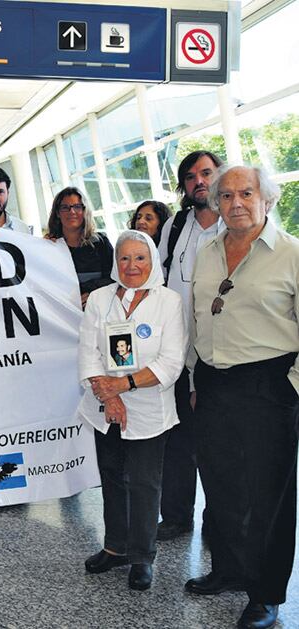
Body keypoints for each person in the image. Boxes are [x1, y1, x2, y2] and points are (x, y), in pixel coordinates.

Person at [185, 165, 298, 629]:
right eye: (226, 194)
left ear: (266, 198)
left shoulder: (291, 254)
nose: (235, 202)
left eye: (245, 193)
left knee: (268, 497)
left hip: (269, 385)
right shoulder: (208, 252)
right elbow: (198, 317)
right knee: (222, 488)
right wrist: (195, 380)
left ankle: (266, 594)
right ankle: (230, 570)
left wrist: (292, 385)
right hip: (213, 384)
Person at [78, 229, 186, 591]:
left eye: (140, 258)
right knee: (112, 478)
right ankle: (115, 547)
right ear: (115, 261)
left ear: (152, 261)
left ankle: (142, 557)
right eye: (124, 258)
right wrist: (108, 397)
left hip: (149, 409)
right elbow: (88, 351)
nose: (131, 265)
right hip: (104, 406)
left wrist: (122, 386)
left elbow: (171, 362)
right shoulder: (100, 299)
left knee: (144, 483)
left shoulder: (168, 301)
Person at [156, 150, 223, 542]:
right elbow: (160, 277)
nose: (199, 181)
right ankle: (177, 516)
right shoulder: (177, 224)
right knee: (177, 440)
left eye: (206, 173)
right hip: (176, 354)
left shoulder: (233, 226)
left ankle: (218, 523)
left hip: (217, 354)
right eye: (191, 176)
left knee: (214, 445)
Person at [45, 187, 114, 308]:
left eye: (77, 206)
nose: (72, 212)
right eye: (65, 207)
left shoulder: (101, 243)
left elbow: (115, 278)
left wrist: (91, 292)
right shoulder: (49, 247)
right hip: (62, 314)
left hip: (97, 310)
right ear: (57, 213)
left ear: (84, 210)